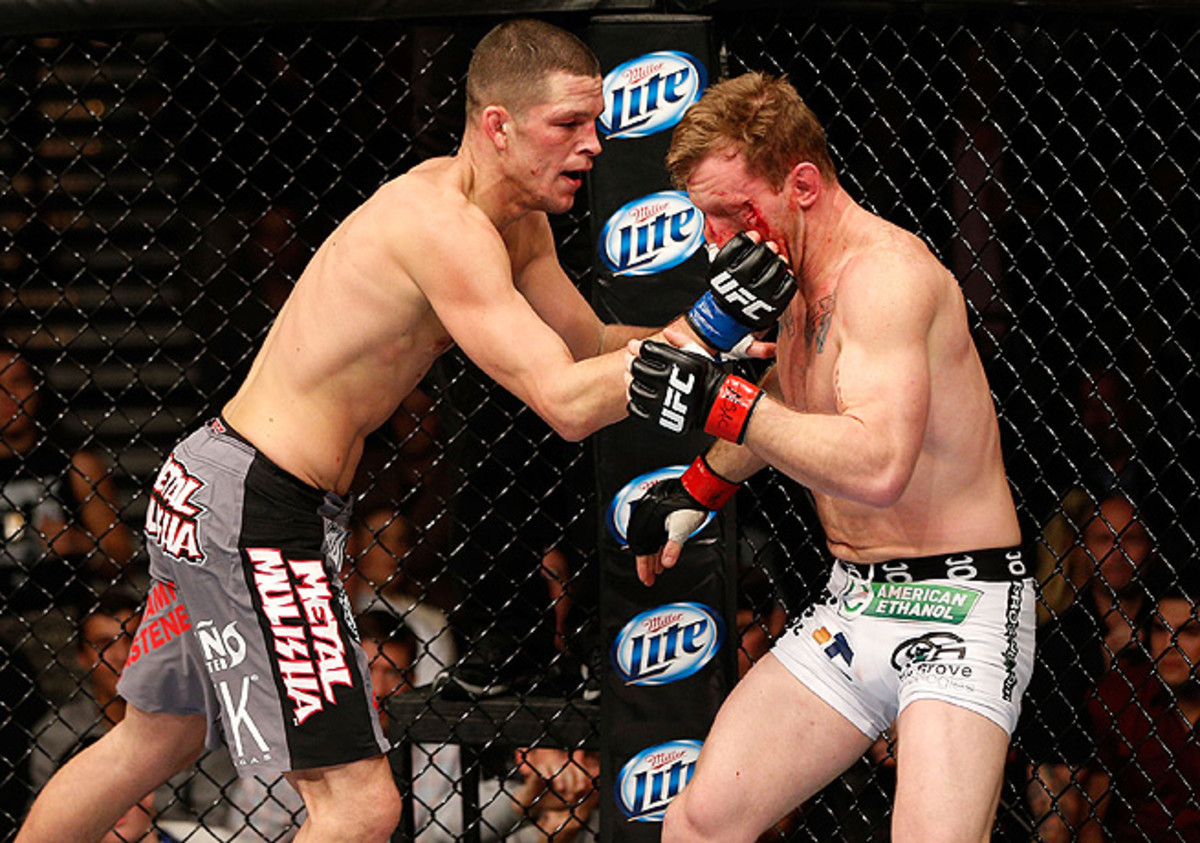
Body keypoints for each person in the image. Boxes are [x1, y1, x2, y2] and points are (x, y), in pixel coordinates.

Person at [18, 19, 778, 843]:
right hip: (257, 508)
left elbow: (588, 347)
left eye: (595, 123)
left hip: (217, 485)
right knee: (360, 806)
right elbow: (565, 402)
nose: (594, 144)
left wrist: (713, 338)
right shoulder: (440, 227)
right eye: (568, 125)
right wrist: (704, 326)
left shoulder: (513, 219)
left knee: (155, 737)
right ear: (497, 125)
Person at [623, 72, 1035, 842]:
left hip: (958, 606)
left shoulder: (887, 278)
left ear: (802, 183)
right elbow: (800, 394)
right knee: (701, 824)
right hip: (853, 602)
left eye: (729, 211)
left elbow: (878, 464)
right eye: (704, 216)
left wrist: (726, 402)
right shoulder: (790, 282)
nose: (715, 238)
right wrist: (700, 484)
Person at [1, 346, 135, 612]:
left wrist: (83, 545)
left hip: (64, 622)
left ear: (37, 389)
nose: (7, 396)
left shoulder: (77, 465)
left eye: (17, 382)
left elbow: (122, 560)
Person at [1076, 558, 1200, 841]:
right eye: (1160, 630)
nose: (1170, 646)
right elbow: (1091, 816)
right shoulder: (1120, 697)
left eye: (1188, 632)